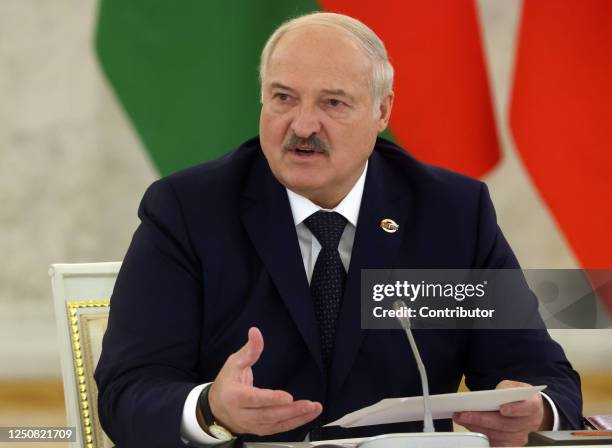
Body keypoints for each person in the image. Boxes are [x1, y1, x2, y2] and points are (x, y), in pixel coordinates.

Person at [95, 12, 582, 448]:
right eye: (283, 98)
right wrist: (210, 410)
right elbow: (127, 393)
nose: (302, 125)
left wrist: (533, 409)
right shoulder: (188, 211)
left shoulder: (450, 213)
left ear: (382, 112)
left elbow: (542, 376)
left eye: (333, 103)